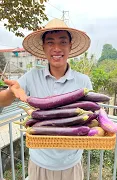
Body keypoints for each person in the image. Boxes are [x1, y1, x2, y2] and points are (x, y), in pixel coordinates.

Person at [0, 18, 92, 180]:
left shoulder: (83, 82)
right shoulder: (31, 77)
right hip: (39, 166)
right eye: (50, 42)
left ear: (70, 46)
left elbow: (91, 117)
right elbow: (4, 101)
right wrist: (11, 93)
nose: (56, 48)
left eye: (63, 42)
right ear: (43, 47)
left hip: (72, 166)